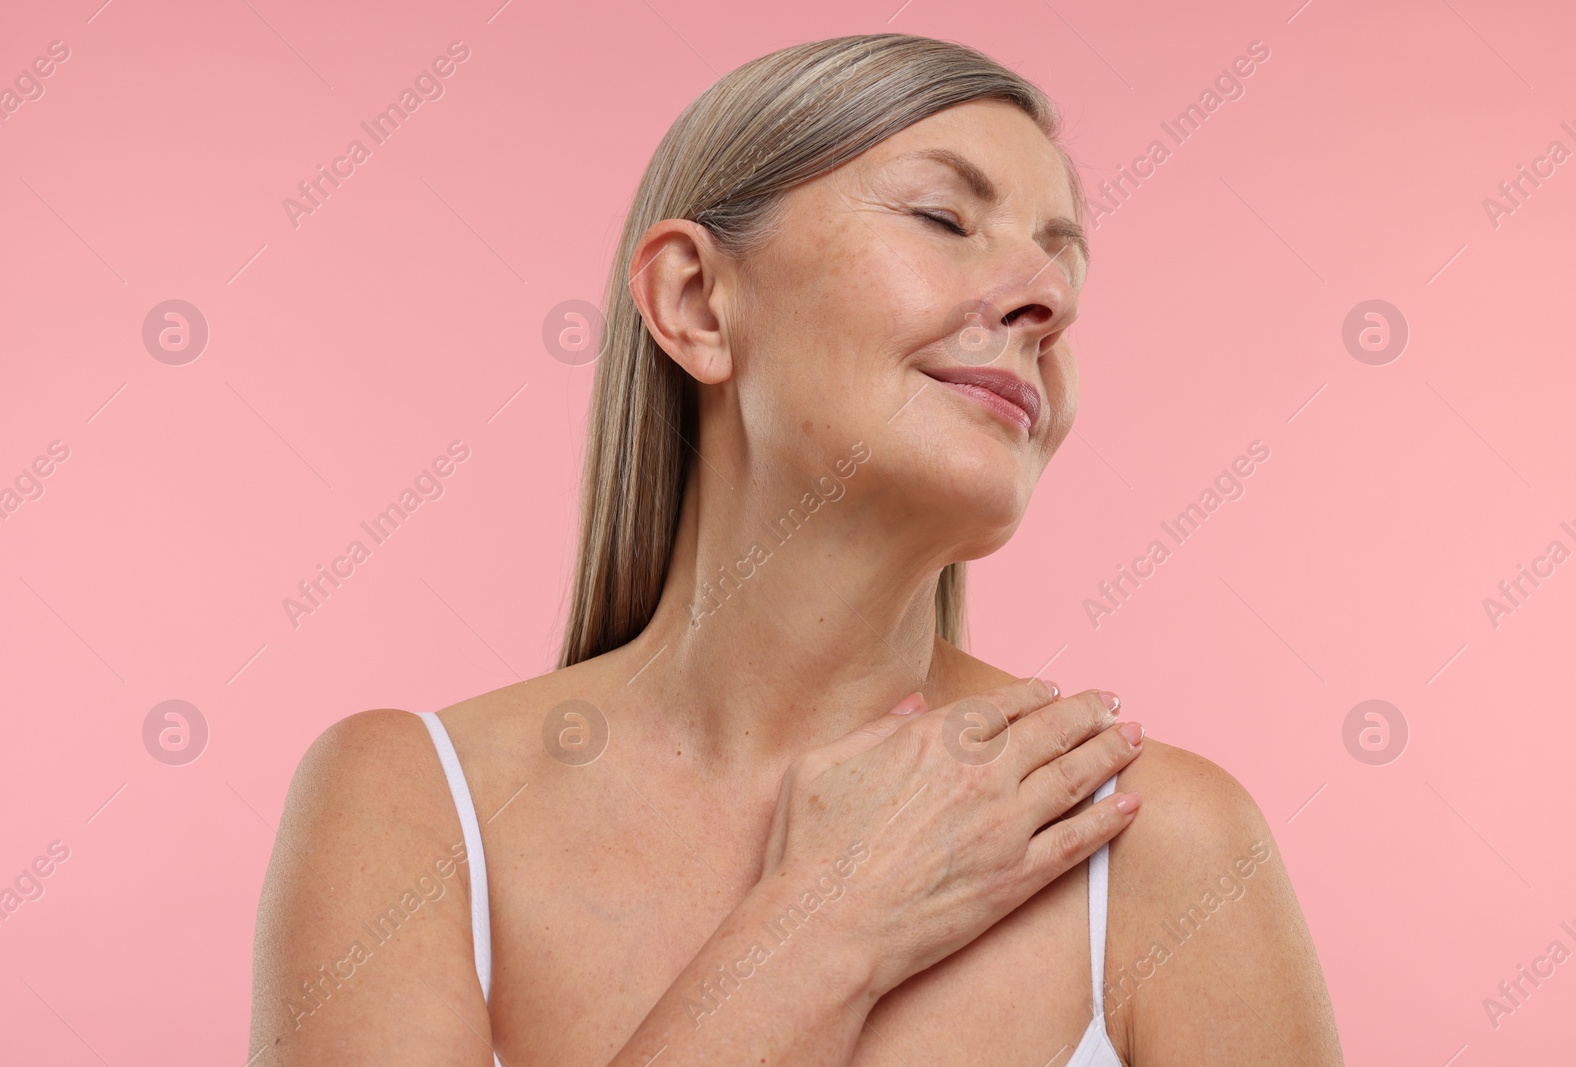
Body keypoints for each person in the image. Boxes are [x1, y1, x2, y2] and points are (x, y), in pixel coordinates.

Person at [248, 32, 1343, 1066]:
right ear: (694, 301)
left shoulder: (1162, 843)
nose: (1047, 301)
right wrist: (826, 924)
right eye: (944, 217)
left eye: (1066, 272)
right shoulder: (406, 810)